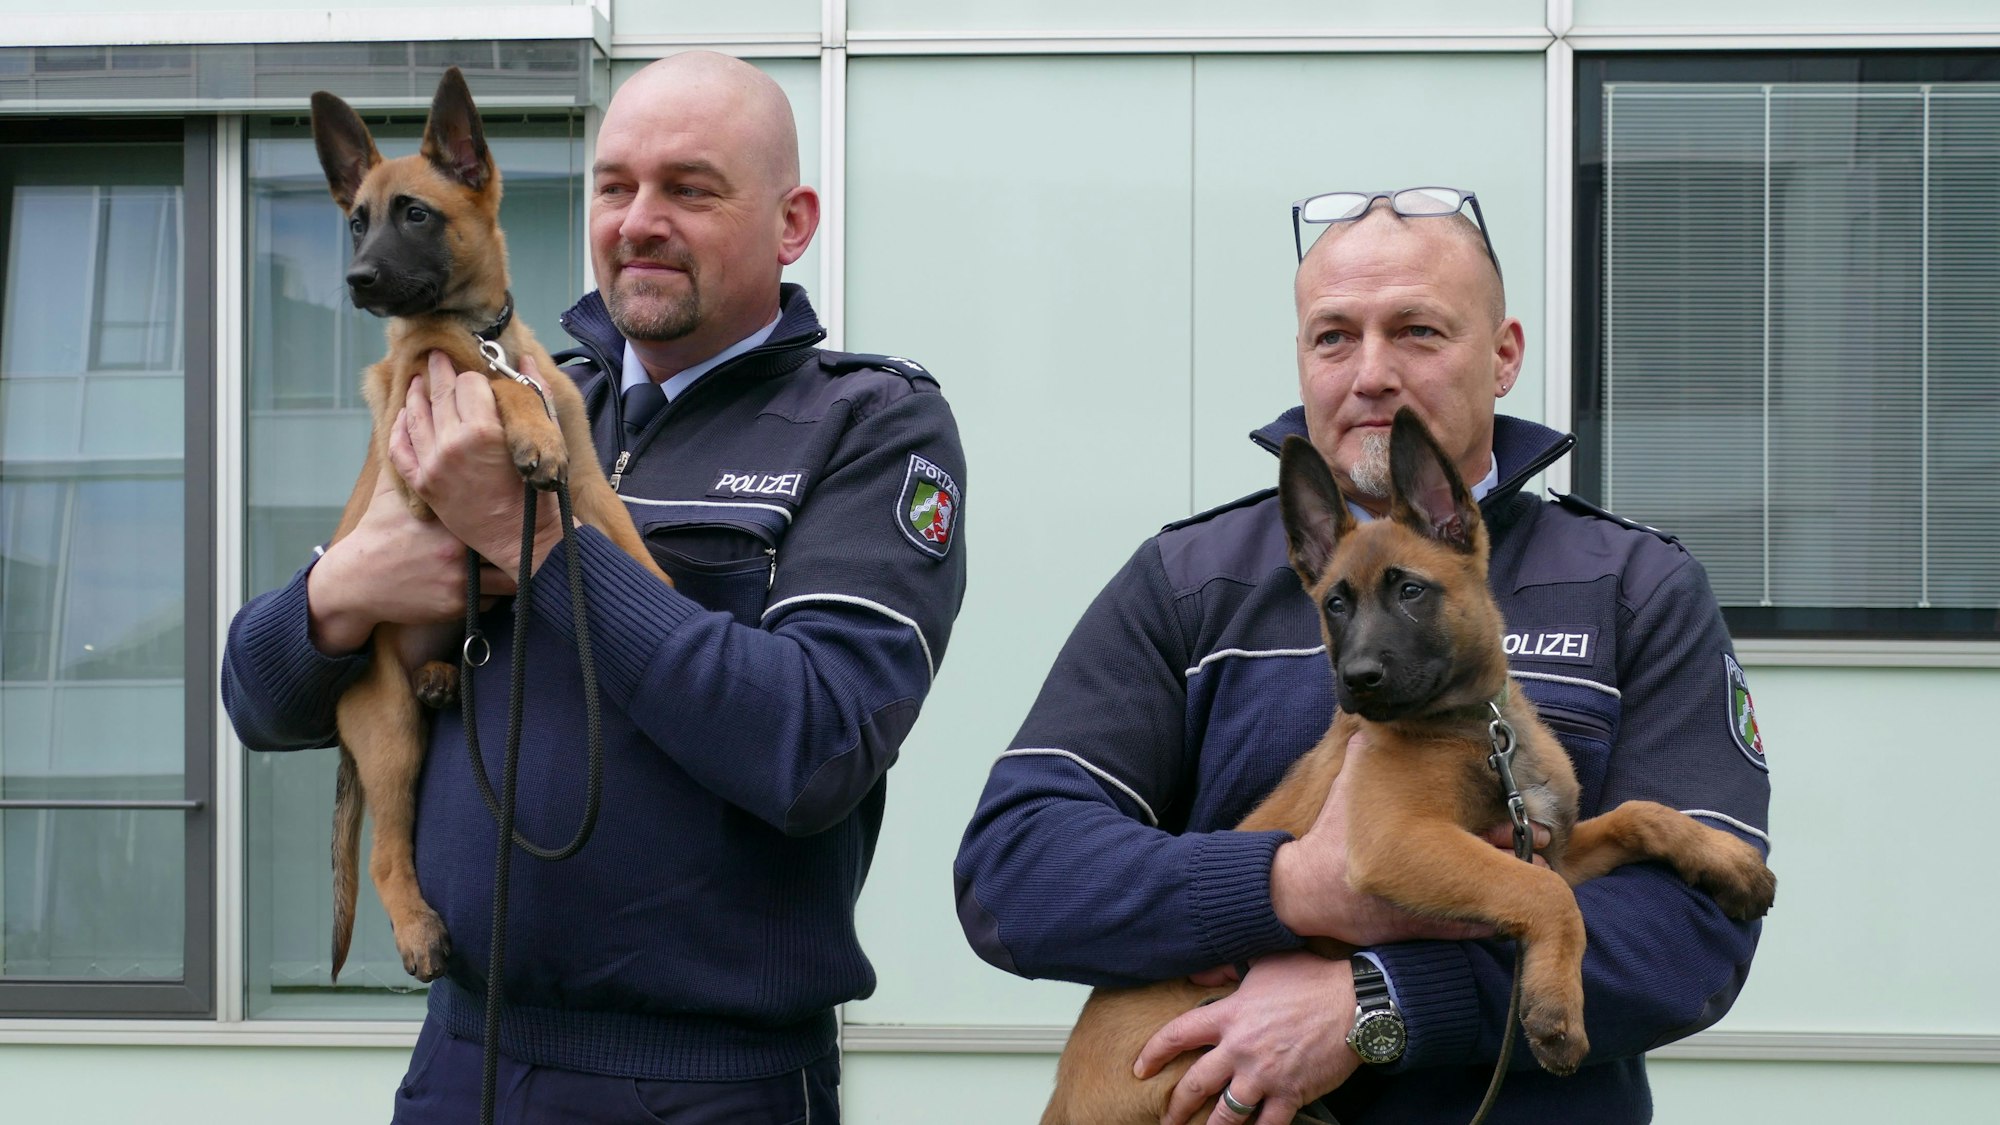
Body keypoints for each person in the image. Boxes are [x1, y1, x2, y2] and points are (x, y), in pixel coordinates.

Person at [222, 52, 966, 1123]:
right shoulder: (509, 392)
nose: (639, 220)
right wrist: (344, 588)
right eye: (614, 186)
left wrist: (534, 546)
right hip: (463, 1065)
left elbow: (814, 746)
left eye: (690, 188)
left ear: (791, 223)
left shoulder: (864, 426)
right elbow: (255, 702)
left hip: (706, 1085)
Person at [954, 190, 1770, 1125]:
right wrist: (1284, 890)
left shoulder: (1637, 584)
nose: (1371, 373)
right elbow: (1013, 873)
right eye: (1333, 336)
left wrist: (1378, 1003)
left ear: (1503, 355)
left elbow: (1694, 937)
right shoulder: (1187, 582)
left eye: (1418, 330)